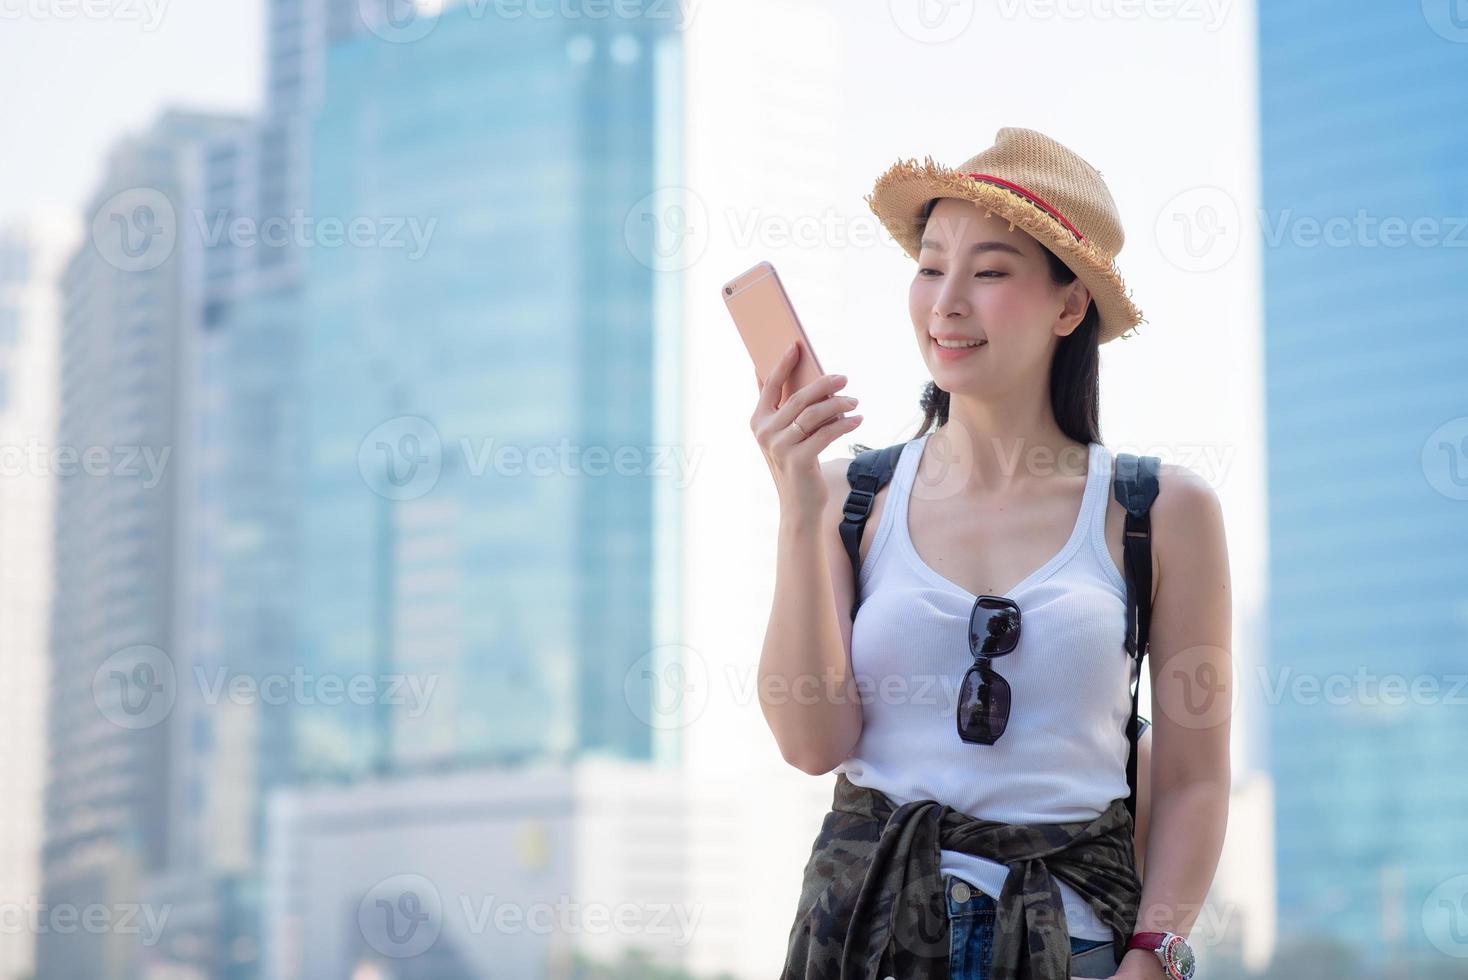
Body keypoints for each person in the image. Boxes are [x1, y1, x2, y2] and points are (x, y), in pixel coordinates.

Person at [750, 128, 1231, 980]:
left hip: (1074, 944)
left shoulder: (1164, 510)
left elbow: (1194, 779)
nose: (947, 302)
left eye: (992, 271)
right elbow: (811, 741)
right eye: (932, 266)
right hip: (868, 940)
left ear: (1069, 305)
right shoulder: (840, 498)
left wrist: (1156, 958)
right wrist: (794, 510)